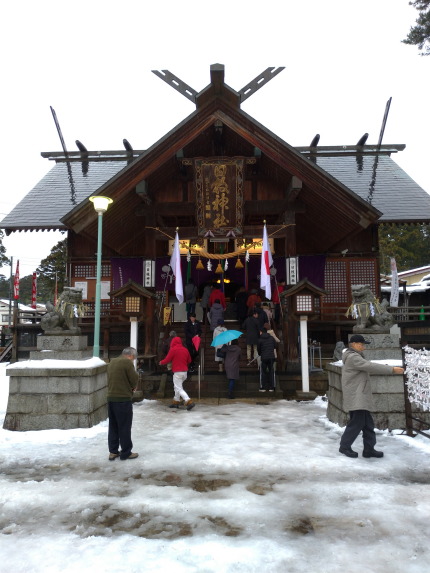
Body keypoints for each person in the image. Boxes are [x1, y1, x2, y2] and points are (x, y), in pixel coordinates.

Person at [339, 334, 404, 458]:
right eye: (361, 344)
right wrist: (392, 369)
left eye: (363, 344)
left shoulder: (353, 356)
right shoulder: (353, 357)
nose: (363, 346)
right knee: (357, 423)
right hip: (357, 397)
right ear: (352, 344)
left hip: (359, 396)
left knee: (367, 424)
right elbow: (370, 366)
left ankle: (369, 449)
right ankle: (344, 446)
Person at [107, 347, 139, 461]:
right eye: (133, 358)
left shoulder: (112, 362)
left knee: (113, 426)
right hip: (123, 399)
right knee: (124, 426)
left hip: (111, 398)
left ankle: (113, 452)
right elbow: (134, 379)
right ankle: (126, 452)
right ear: (130, 355)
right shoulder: (127, 363)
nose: (133, 360)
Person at [159, 336, 195, 410]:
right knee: (177, 387)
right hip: (185, 372)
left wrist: (161, 362)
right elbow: (189, 361)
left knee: (178, 388)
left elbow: (167, 359)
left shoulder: (173, 350)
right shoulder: (185, 350)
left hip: (177, 372)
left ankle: (188, 401)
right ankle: (176, 402)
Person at [257, 327, 277, 392]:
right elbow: (275, 346)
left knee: (263, 372)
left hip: (264, 357)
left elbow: (258, 349)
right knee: (271, 372)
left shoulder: (260, 340)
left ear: (262, 332)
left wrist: (261, 354)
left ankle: (263, 387)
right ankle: (272, 387)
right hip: (271, 357)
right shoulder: (271, 338)